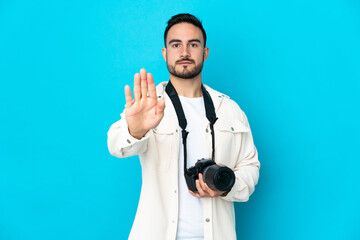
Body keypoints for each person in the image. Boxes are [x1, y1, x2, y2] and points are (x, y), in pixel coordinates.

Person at [107, 13, 260, 240]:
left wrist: (227, 187)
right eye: (176, 44)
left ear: (205, 53)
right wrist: (136, 129)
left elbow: (250, 166)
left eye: (193, 44)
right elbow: (116, 145)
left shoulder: (230, 110)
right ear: (165, 53)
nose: (185, 52)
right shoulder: (149, 103)